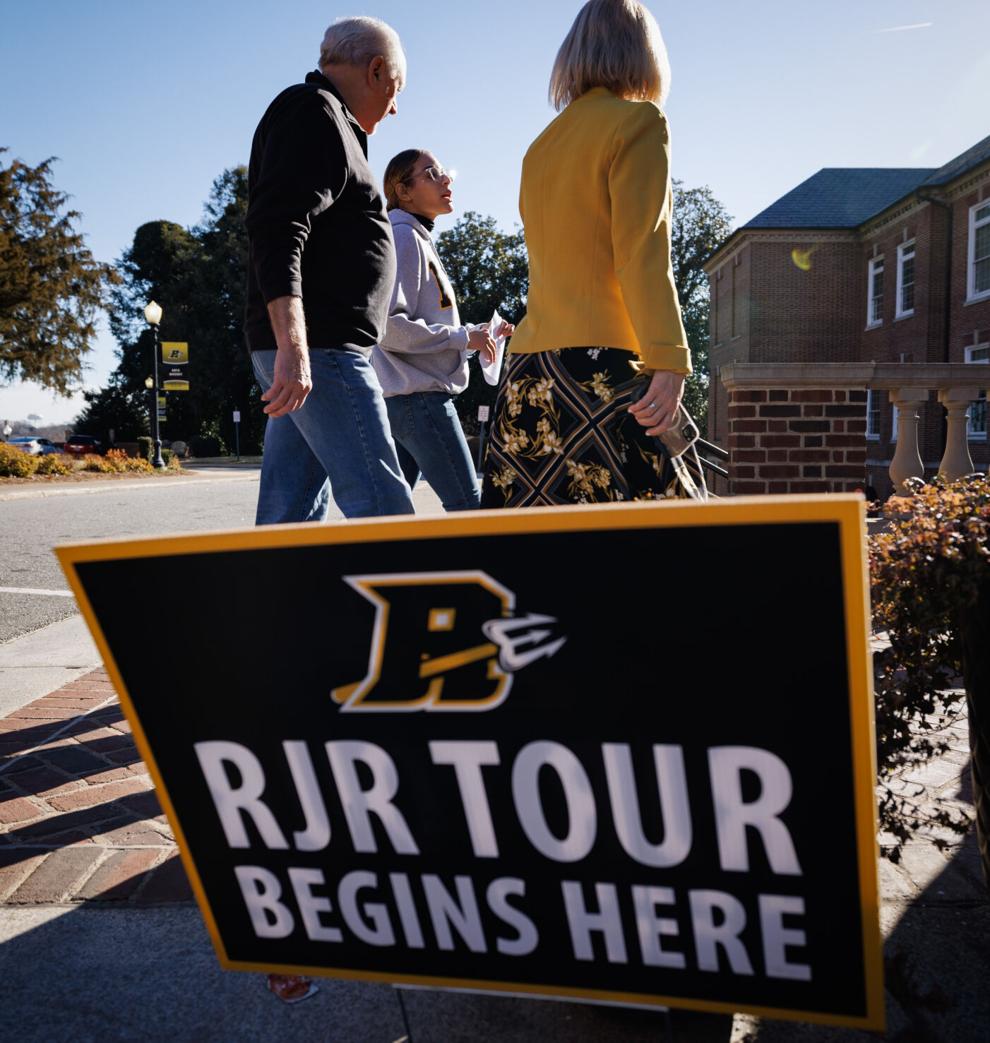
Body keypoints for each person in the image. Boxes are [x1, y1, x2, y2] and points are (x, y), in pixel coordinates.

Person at [481, 0, 692, 508]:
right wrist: (670, 358)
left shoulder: (541, 146)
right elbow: (641, 252)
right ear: (644, 53)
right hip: (602, 370)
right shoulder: (639, 123)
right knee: (664, 556)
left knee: (538, 563)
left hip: (528, 376)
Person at [245, 17, 415, 525]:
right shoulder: (314, 111)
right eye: (396, 88)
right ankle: (415, 603)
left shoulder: (330, 121)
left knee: (288, 515)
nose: (395, 105)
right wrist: (295, 348)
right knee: (383, 506)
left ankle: (273, 604)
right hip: (320, 350)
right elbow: (277, 226)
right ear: (377, 69)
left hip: (311, 350)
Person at [374, 150, 513, 511]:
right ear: (403, 191)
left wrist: (476, 335)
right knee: (469, 509)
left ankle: (367, 567)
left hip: (407, 401)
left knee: (386, 515)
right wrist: (462, 337)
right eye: (431, 174)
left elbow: (417, 328)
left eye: (443, 173)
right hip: (421, 402)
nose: (446, 180)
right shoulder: (403, 238)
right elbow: (388, 327)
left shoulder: (414, 238)